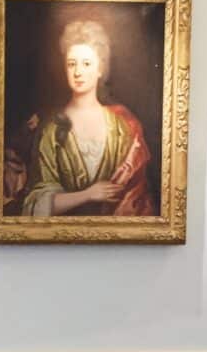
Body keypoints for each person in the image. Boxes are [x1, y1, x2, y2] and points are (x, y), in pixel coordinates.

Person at [15, 15, 153, 219]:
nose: (78, 72)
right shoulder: (51, 129)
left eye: (87, 64)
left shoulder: (123, 126)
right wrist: (87, 195)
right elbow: (36, 203)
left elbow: (136, 201)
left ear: (100, 69)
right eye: (72, 64)